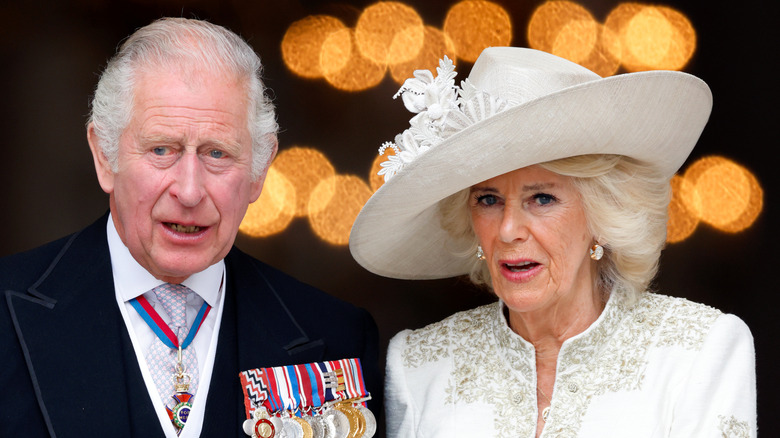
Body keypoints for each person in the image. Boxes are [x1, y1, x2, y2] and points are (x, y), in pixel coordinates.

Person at [0, 17, 379, 438]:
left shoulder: (338, 335)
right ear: (105, 157)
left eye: (217, 153)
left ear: (259, 170)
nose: (190, 190)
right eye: (162, 149)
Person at [349, 47, 756, 437]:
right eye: (488, 200)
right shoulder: (418, 365)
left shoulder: (699, 351)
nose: (508, 229)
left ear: (602, 215)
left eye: (542, 198)